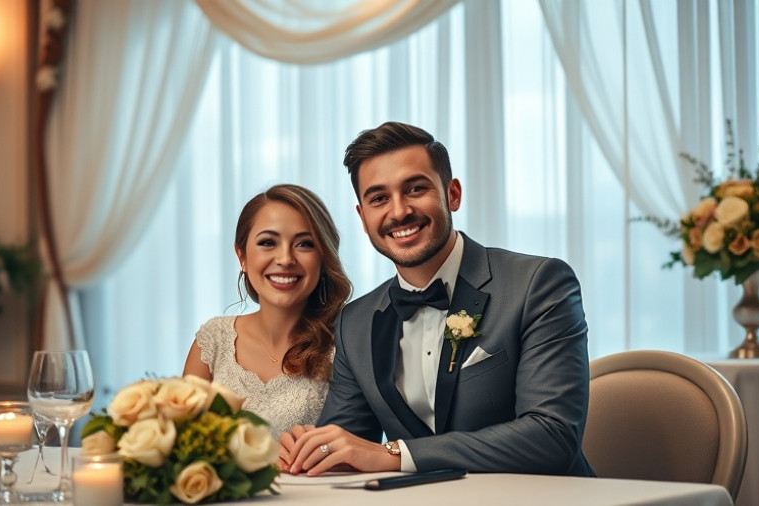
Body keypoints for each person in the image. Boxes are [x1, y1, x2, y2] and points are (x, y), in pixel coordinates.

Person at [279, 121, 594, 477]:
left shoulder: (538, 284)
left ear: (452, 194)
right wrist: (308, 452)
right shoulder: (356, 322)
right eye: (379, 198)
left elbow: (553, 437)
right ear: (363, 218)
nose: (399, 211)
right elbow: (346, 449)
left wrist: (397, 454)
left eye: (415, 189)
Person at [183, 184, 351, 439]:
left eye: (304, 244)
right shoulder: (213, 340)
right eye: (268, 243)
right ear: (242, 256)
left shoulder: (345, 346)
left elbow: (358, 446)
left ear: (323, 258)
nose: (285, 259)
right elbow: (182, 446)